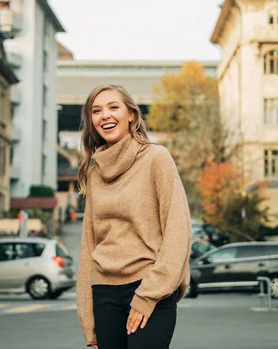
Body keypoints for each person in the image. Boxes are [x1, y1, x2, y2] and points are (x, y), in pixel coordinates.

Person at [76, 84, 192, 349]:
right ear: (92, 122)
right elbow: (89, 246)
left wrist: (149, 294)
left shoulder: (156, 158)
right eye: (96, 111)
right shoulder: (94, 174)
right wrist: (89, 322)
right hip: (104, 294)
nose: (105, 115)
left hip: (149, 285)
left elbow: (178, 231)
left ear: (131, 115)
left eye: (113, 107)